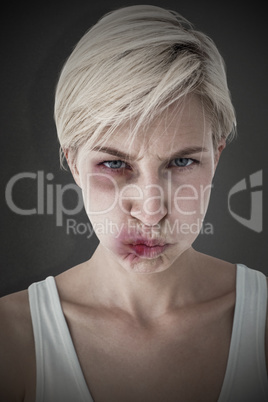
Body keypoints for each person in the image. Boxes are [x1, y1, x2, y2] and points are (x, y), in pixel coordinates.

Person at [0, 4, 267, 401]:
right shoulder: (11, 338)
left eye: (182, 161)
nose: (150, 210)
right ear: (72, 162)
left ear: (217, 156)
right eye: (113, 163)